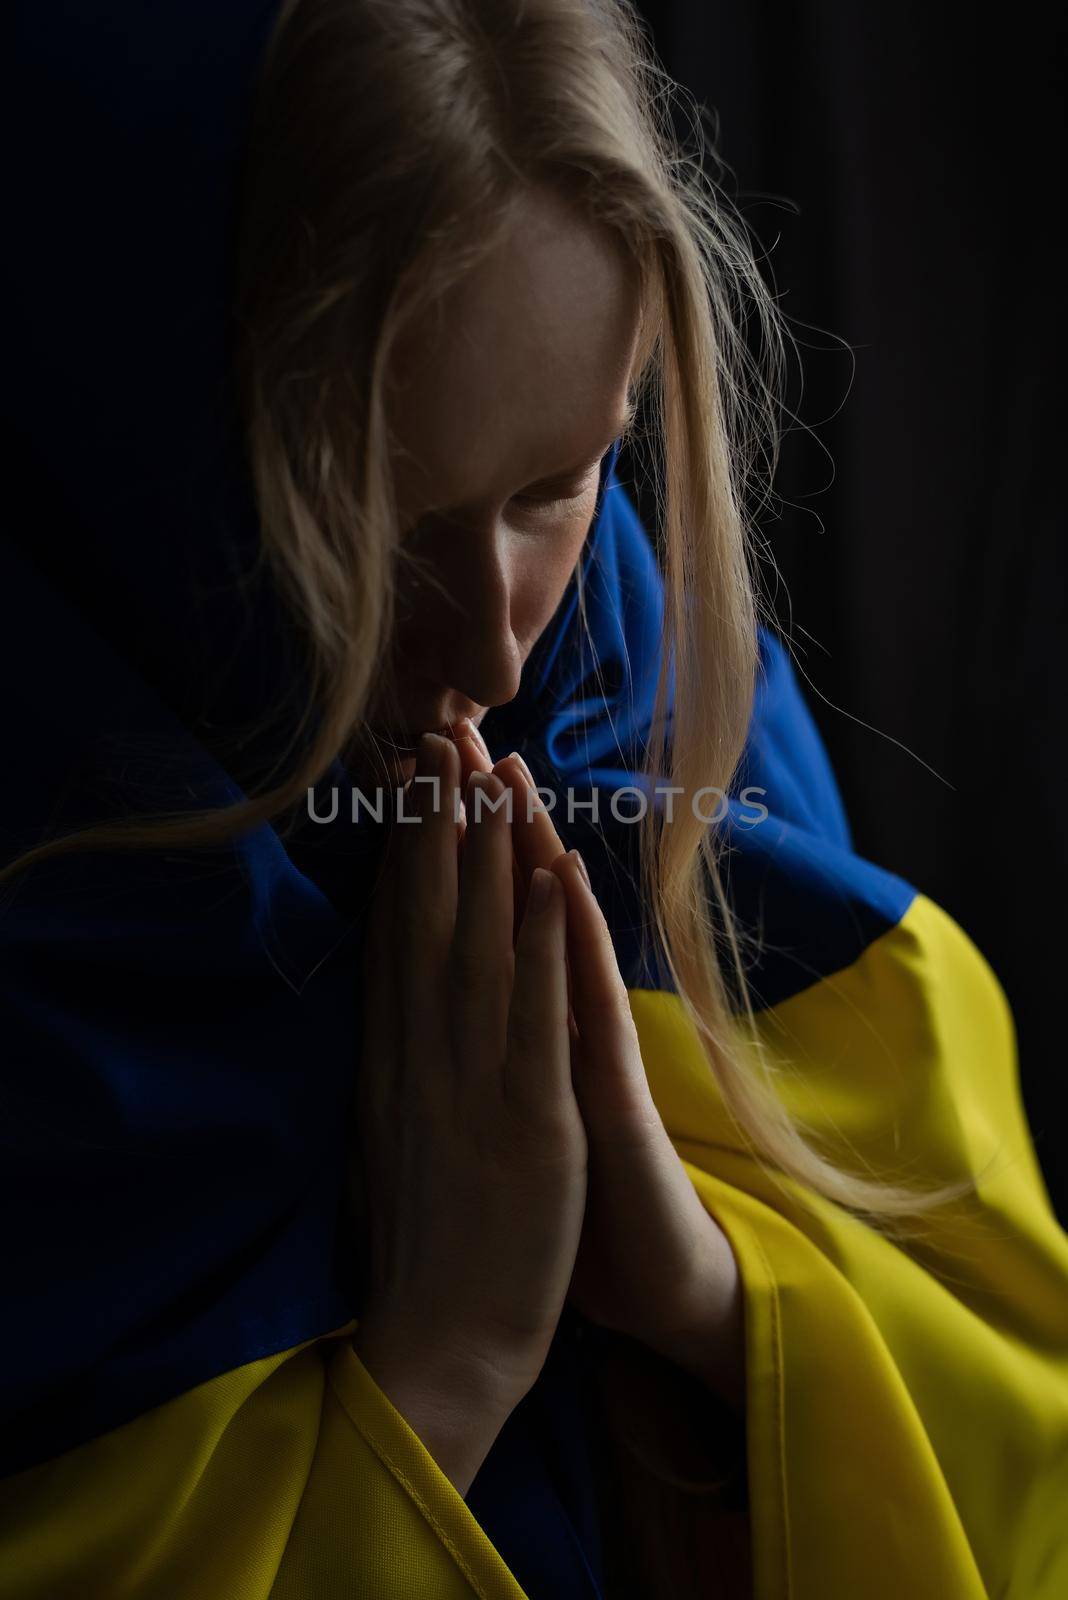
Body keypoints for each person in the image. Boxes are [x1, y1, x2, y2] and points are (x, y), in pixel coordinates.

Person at [2, 2, 1066, 1597]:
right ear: (150, 448)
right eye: (371, 514)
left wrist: (701, 1288)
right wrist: (448, 1363)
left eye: (557, 487)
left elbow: (1029, 1447)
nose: (493, 648)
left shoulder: (681, 746)